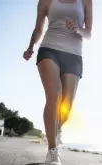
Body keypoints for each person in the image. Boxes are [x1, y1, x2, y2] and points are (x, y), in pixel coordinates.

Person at [23, 0, 92, 164]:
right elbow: (39, 27)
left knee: (66, 108)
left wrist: (77, 29)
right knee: (54, 96)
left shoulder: (86, 1)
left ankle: (55, 131)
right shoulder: (45, 1)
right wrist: (31, 47)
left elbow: (88, 33)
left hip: (74, 55)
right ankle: (52, 152)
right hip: (49, 49)